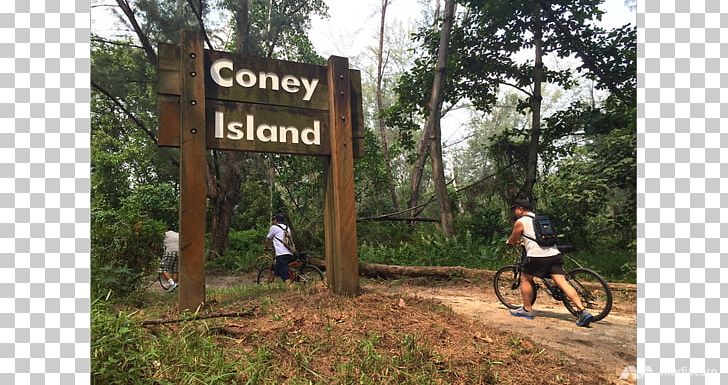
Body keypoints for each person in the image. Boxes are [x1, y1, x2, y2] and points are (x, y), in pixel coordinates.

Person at [505, 199, 594, 327]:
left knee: (525, 278)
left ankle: (527, 310)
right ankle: (583, 312)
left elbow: (514, 238)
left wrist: (509, 242)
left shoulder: (521, 221)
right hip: (554, 254)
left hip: (536, 257)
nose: (515, 212)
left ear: (520, 209)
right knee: (562, 282)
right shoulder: (540, 219)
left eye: (515, 209)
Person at [265, 213, 295, 282]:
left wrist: (266, 247)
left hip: (281, 254)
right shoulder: (287, 228)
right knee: (278, 268)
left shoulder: (274, 227)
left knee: (285, 276)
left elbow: (268, 239)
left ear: (276, 220)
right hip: (290, 252)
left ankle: (290, 289)